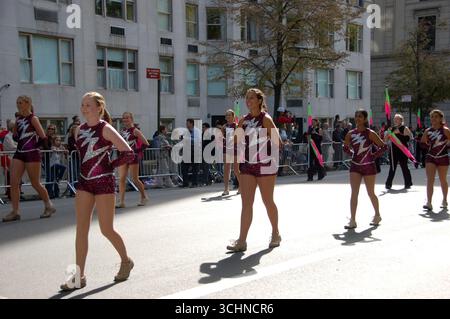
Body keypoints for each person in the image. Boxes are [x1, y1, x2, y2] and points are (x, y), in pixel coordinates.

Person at [60, 92, 135, 291]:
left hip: (104, 183)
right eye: (82, 104)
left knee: (106, 229)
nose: (84, 108)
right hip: (84, 183)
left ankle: (126, 261)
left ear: (99, 107)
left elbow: (128, 152)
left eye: (88, 105)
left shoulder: (106, 128)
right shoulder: (79, 129)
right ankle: (78, 276)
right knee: (81, 229)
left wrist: (111, 164)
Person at [226, 88, 281, 252]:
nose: (248, 101)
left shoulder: (266, 119)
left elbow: (278, 142)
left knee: (267, 201)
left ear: (259, 101)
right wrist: (236, 130)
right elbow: (236, 141)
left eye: (251, 98)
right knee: (246, 204)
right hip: (248, 166)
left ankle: (275, 233)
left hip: (265, 166)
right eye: (246, 98)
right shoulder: (243, 119)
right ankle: (242, 241)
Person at [2, 96, 56, 222]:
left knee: (35, 183)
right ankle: (15, 211)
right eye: (17, 103)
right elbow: (16, 137)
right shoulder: (19, 119)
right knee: (14, 182)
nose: (18, 105)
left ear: (28, 104)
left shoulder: (33, 118)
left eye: (20, 103)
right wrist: (15, 132)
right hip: (19, 152)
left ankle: (49, 205)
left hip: (32, 154)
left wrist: (33, 148)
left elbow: (43, 138)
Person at [343, 109, 387, 229]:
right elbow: (345, 147)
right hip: (355, 165)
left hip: (369, 166)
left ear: (365, 119)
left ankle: (377, 215)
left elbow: (383, 146)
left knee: (370, 192)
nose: (357, 118)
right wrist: (351, 152)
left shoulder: (370, 133)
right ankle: (352, 220)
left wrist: (373, 156)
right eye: (356, 116)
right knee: (354, 193)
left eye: (360, 116)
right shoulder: (350, 133)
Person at [116, 112, 150, 208]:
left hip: (133, 157)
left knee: (135, 179)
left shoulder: (135, 131)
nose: (125, 119)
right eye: (123, 118)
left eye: (127, 118)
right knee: (121, 179)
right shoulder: (122, 131)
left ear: (131, 119)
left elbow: (146, 143)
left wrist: (135, 151)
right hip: (123, 157)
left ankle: (144, 197)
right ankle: (121, 201)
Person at [421, 110, 450, 211]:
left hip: (443, 157)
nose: (433, 119)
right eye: (432, 117)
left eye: (436, 117)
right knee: (430, 180)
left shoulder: (445, 130)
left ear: (441, 118)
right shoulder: (428, 131)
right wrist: (426, 144)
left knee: (443, 180)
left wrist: (448, 143)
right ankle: (429, 202)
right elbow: (422, 143)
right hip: (431, 157)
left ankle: (445, 200)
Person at [384, 114, 413, 190]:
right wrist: (388, 134)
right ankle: (388, 184)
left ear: (401, 120)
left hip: (403, 150)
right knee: (392, 167)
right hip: (393, 151)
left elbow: (408, 138)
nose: (395, 120)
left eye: (397, 119)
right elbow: (386, 140)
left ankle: (408, 183)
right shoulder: (392, 129)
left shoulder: (404, 128)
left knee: (404, 167)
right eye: (395, 119)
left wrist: (399, 133)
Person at [222, 110, 241, 196]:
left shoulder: (236, 126)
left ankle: (241, 186)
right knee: (226, 169)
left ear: (233, 116)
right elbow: (221, 137)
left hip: (236, 148)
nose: (228, 117)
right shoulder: (224, 127)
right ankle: (226, 189)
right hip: (227, 148)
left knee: (236, 169)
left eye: (229, 115)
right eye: (227, 115)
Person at [181, 119, 201, 188]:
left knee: (195, 168)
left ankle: (194, 183)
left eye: (188, 123)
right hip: (187, 150)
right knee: (184, 167)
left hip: (195, 150)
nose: (186, 125)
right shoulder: (185, 131)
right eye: (186, 123)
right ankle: (185, 183)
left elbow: (197, 140)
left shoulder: (197, 131)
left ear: (192, 124)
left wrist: (187, 138)